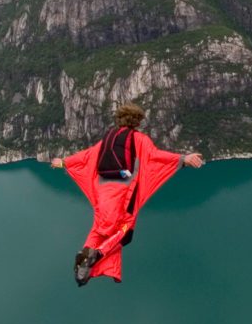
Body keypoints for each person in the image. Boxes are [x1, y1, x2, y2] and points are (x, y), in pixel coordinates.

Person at [49, 102, 204, 286]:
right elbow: (155, 156)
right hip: (123, 196)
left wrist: (64, 162)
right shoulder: (138, 139)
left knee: (99, 227)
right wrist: (183, 159)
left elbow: (86, 156)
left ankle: (85, 254)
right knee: (125, 232)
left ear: (119, 119)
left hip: (102, 192)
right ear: (137, 121)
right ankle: (96, 255)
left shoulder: (108, 138)